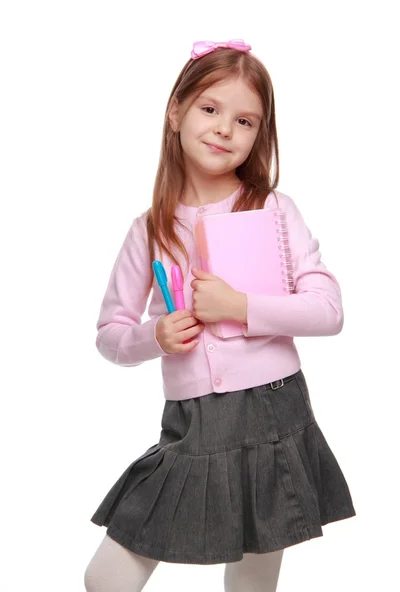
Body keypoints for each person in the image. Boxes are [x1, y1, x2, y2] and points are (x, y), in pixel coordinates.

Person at [84, 38, 356, 592]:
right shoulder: (149, 229)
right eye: (210, 109)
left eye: (246, 120)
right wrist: (155, 336)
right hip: (193, 423)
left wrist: (241, 308)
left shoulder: (273, 210)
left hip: (276, 411)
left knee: (252, 584)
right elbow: (110, 335)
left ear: (260, 134)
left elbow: (329, 311)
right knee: (106, 578)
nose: (225, 129)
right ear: (176, 110)